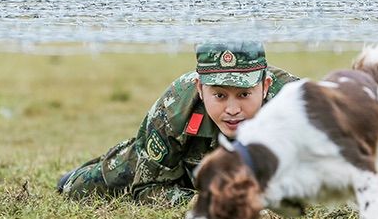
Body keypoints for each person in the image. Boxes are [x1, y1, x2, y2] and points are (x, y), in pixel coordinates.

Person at [57, 41, 299, 204]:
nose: (233, 110)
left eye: (244, 94)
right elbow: (148, 186)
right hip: (180, 165)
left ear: (265, 86)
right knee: (76, 189)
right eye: (220, 95)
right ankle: (78, 174)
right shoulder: (174, 107)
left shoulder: (299, 105)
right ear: (200, 89)